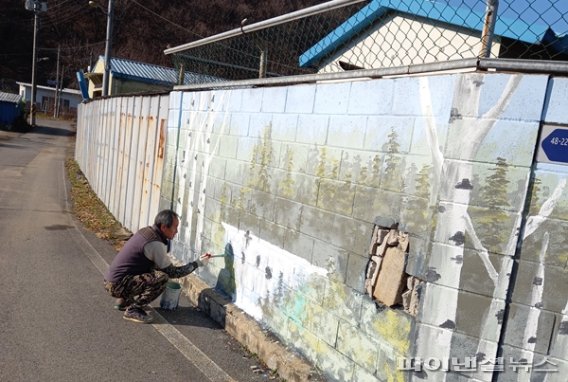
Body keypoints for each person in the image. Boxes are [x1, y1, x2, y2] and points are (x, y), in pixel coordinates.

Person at [103, 209, 210, 323]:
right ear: (164, 227)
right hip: (117, 285)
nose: (177, 231)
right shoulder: (155, 244)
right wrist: (197, 263)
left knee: (152, 269)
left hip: (112, 282)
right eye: (175, 227)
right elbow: (173, 273)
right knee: (161, 278)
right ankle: (134, 309)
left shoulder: (146, 232)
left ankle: (124, 300)